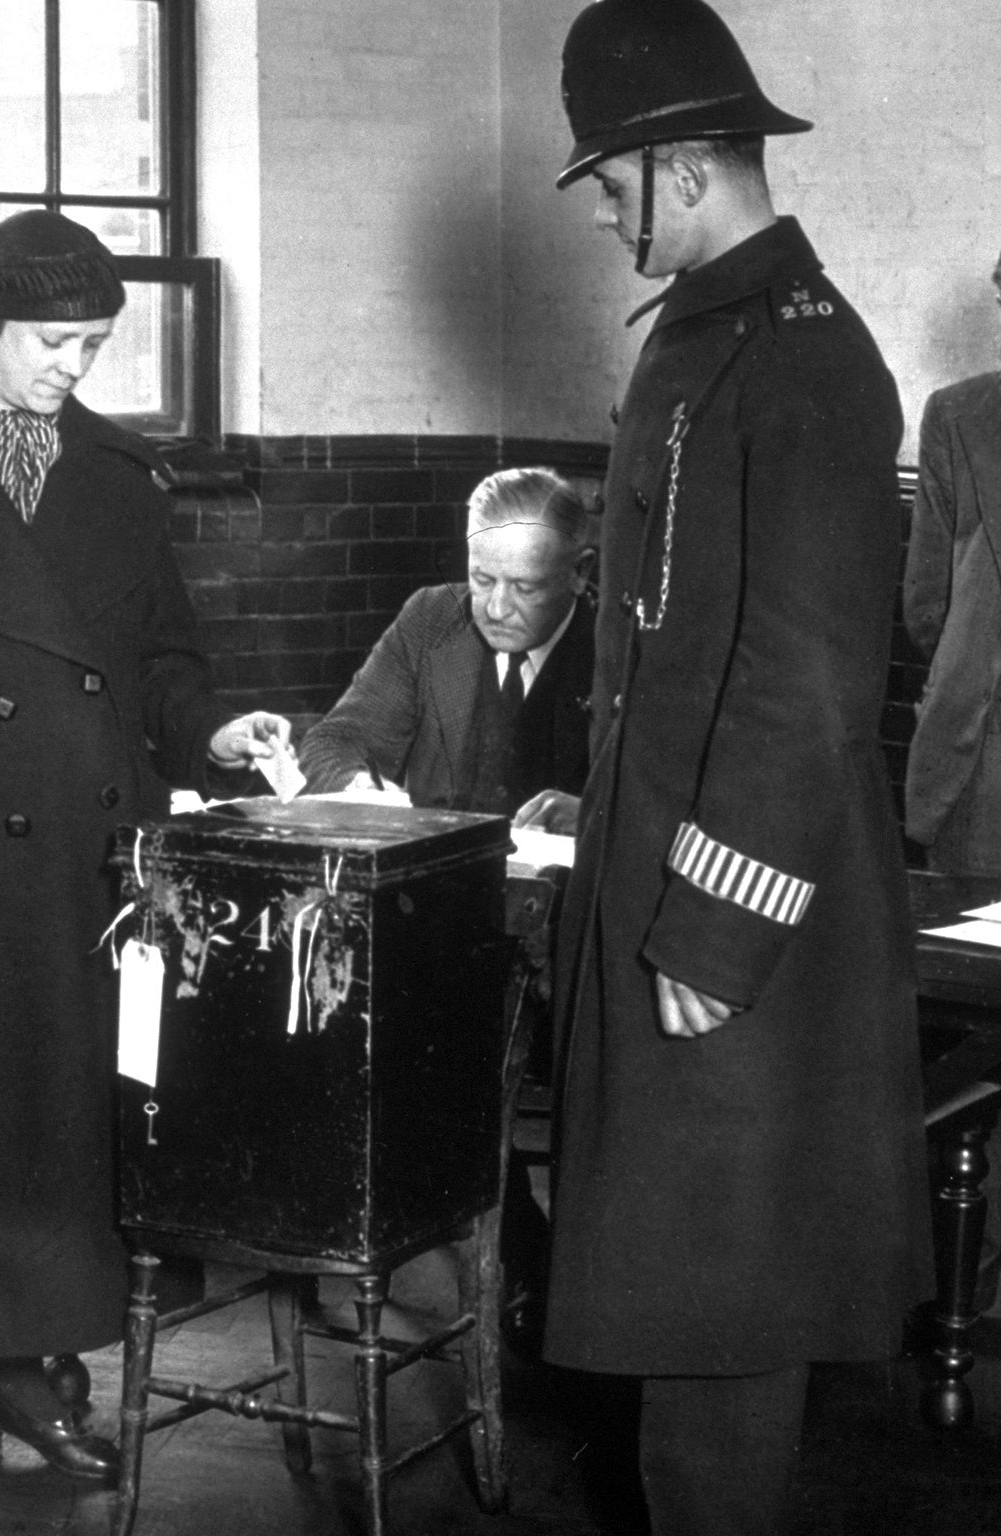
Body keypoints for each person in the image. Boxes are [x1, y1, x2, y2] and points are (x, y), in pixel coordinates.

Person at [0, 209, 292, 1534]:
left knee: (67, 1145)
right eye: (52, 343)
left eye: (92, 344)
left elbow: (162, 659)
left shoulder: (119, 474)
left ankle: (24, 1384)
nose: (72, 367)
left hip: (91, 863)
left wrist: (211, 729)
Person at [548, 3, 931, 1532]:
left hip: (730, 930)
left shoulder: (808, 363)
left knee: (722, 1331)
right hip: (665, 888)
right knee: (685, 1313)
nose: (602, 218)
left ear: (682, 165)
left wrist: (714, 927)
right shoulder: (716, 338)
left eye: (610, 186)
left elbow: (809, 680)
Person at [296, 467, 596, 834]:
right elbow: (333, 742)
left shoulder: (617, 651)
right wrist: (358, 788)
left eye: (525, 588)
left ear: (579, 572)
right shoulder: (431, 620)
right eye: (482, 580)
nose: (496, 609)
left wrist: (593, 818)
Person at [904, 252, 1001, 1315]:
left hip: (974, 767)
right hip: (975, 777)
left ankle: (954, 1289)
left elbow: (928, 616)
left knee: (967, 1038)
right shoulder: (956, 416)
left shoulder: (961, 417)